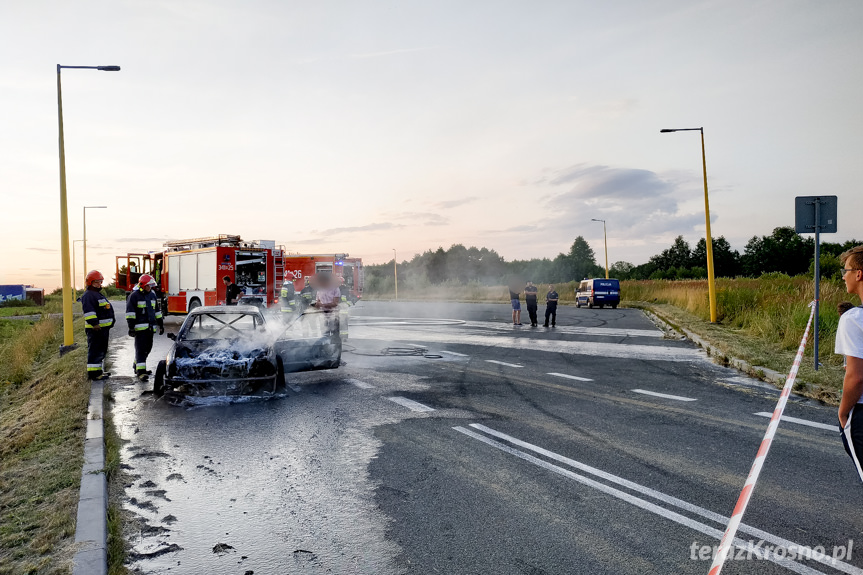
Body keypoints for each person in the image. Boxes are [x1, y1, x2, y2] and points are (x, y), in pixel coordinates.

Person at [836, 245, 863, 483]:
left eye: (845, 270)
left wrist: (843, 412)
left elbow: (856, 377)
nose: (843, 276)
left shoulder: (853, 319)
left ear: (859, 274)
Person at [126, 274, 164, 381]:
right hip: (140, 330)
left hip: (150, 329)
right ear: (142, 285)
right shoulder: (134, 296)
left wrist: (161, 324)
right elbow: (130, 313)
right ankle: (141, 372)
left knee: (148, 348)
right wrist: (131, 327)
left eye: (151, 286)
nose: (150, 288)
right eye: (148, 286)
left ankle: (137, 365)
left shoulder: (152, 295)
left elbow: (157, 311)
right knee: (141, 349)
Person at [81, 270, 115, 380]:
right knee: (95, 350)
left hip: (102, 329)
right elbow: (89, 312)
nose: (99, 284)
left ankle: (98, 371)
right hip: (96, 329)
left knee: (101, 350)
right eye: (97, 282)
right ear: (90, 282)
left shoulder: (96, 294)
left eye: (100, 282)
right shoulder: (89, 295)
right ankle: (94, 375)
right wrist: (95, 324)